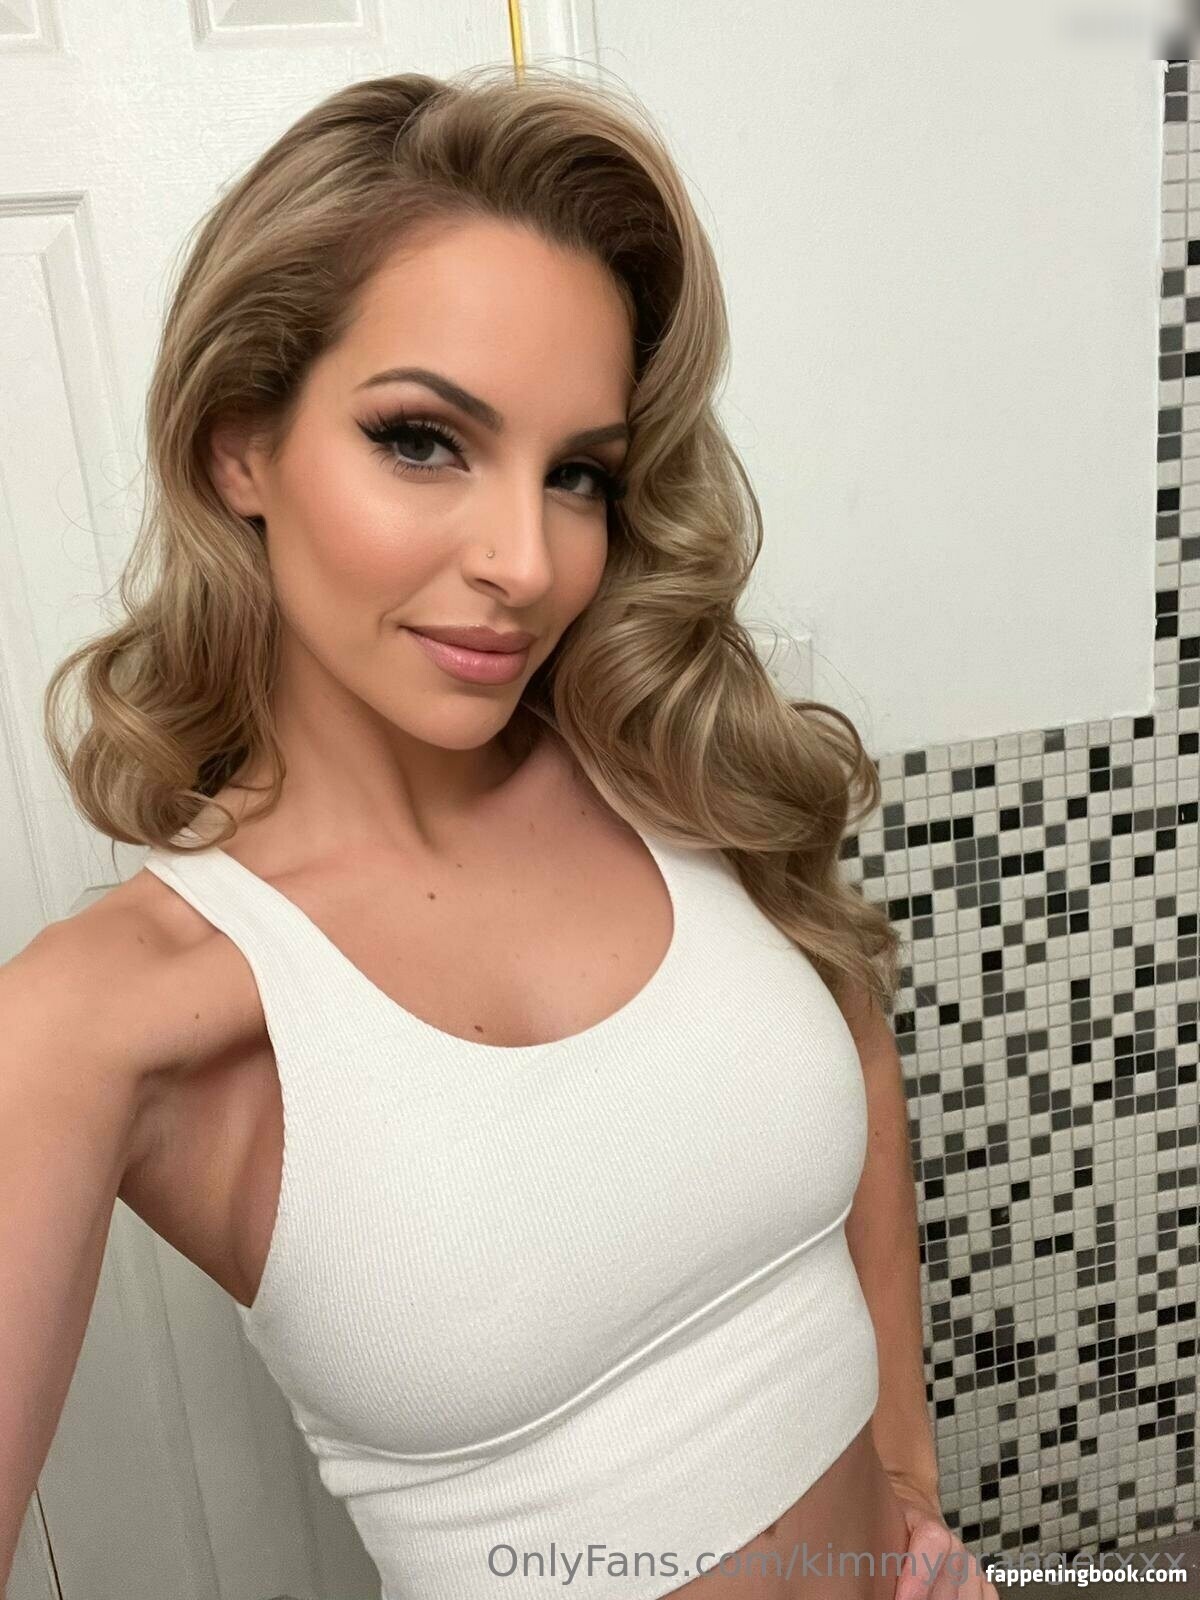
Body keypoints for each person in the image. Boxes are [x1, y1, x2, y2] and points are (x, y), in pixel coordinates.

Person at [2, 63, 996, 1600]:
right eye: (422, 439)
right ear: (237, 446)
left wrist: (910, 1484)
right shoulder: (105, 1018)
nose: (527, 563)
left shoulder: (661, 760)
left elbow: (848, 1032)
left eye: (578, 473)